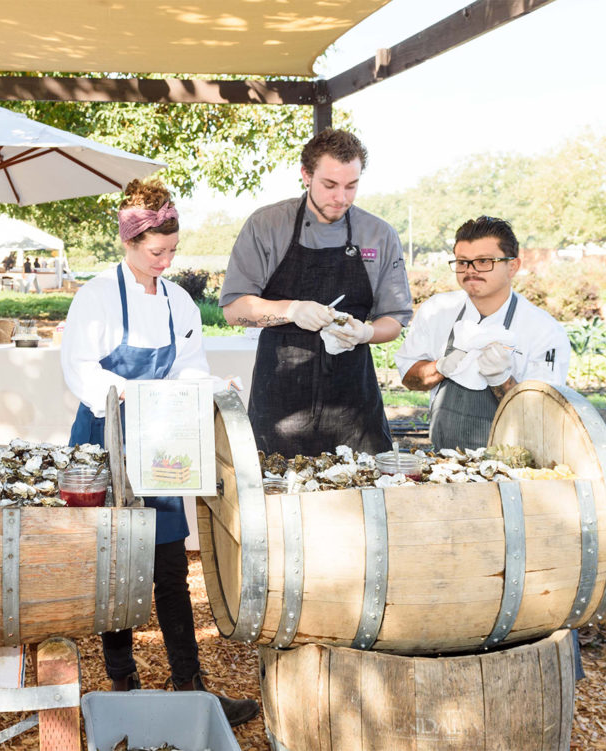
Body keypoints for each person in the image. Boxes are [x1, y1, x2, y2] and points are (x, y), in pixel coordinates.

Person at [61, 179, 260, 727]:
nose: (166, 262)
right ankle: (121, 682)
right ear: (128, 242)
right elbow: (80, 369)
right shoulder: (96, 296)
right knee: (117, 567)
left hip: (161, 440)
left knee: (171, 566)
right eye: (156, 252)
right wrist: (130, 392)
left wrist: (210, 384)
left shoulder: (178, 300)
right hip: (105, 437)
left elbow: (188, 366)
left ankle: (190, 685)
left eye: (172, 250)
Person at [219, 128, 412, 457]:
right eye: (330, 185)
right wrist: (290, 310)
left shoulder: (379, 235)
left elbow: (394, 319)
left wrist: (366, 333)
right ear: (306, 175)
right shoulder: (267, 225)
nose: (341, 198)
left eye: (351, 186)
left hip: (354, 409)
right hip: (279, 405)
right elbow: (233, 311)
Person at [394, 216, 572, 451]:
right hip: (444, 461)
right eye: (462, 262)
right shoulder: (437, 311)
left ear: (513, 266)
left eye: (484, 261)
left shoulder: (543, 330)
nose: (471, 270)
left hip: (512, 463)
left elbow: (541, 415)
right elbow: (409, 379)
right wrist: (441, 367)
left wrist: (501, 379)